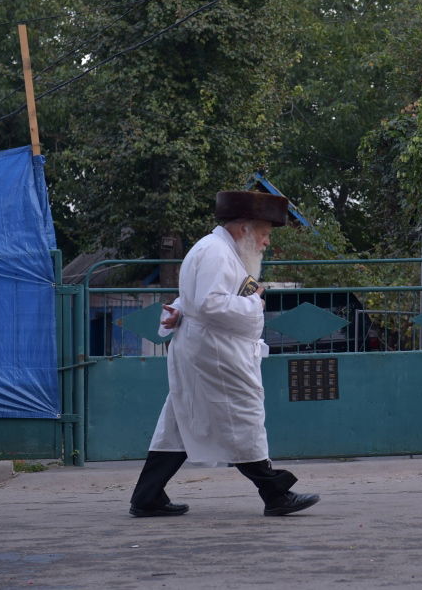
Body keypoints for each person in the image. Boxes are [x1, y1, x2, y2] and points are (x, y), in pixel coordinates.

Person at [129, 190, 320, 518]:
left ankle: (147, 496)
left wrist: (177, 310)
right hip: (215, 354)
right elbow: (211, 303)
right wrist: (254, 303)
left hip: (203, 349)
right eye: (264, 234)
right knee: (243, 415)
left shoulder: (214, 249)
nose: (266, 243)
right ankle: (274, 491)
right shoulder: (217, 252)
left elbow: (194, 300)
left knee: (178, 421)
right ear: (244, 228)